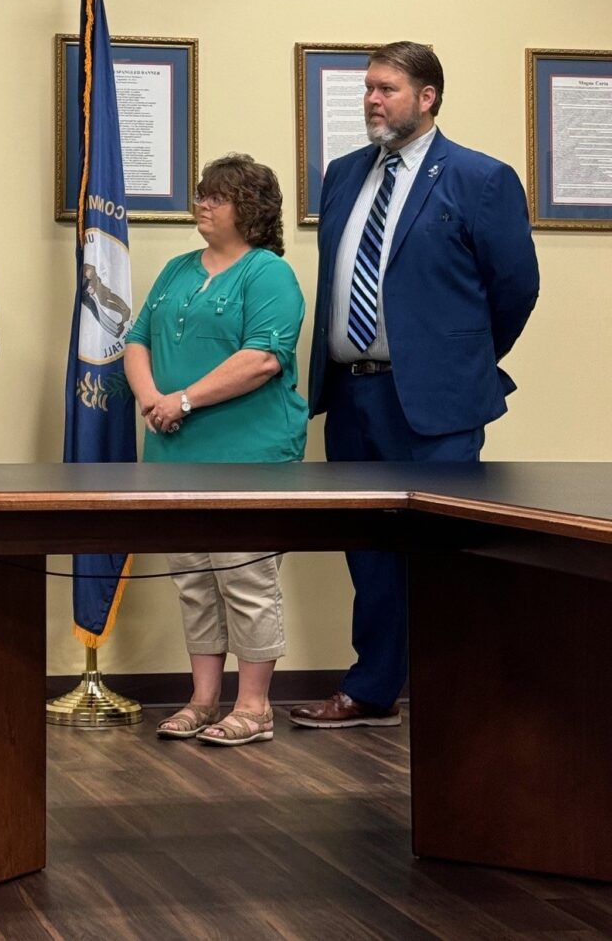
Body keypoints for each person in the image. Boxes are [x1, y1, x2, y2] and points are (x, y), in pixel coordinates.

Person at [290, 41, 539, 730]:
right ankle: (372, 690)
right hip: (353, 395)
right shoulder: (344, 174)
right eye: (368, 87)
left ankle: (458, 700)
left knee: (438, 553)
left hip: (437, 403)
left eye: (387, 88)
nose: (372, 99)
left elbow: (516, 286)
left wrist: (458, 359)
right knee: (369, 554)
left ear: (427, 98)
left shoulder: (478, 177)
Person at [124, 155, 308, 748]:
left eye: (216, 197)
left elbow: (263, 358)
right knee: (194, 581)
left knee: (246, 578)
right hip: (175, 452)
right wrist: (152, 399)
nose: (201, 204)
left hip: (249, 455)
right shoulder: (178, 268)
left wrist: (182, 400)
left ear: (249, 210)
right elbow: (137, 339)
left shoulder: (268, 273)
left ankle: (254, 707)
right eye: (201, 193)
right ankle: (203, 700)